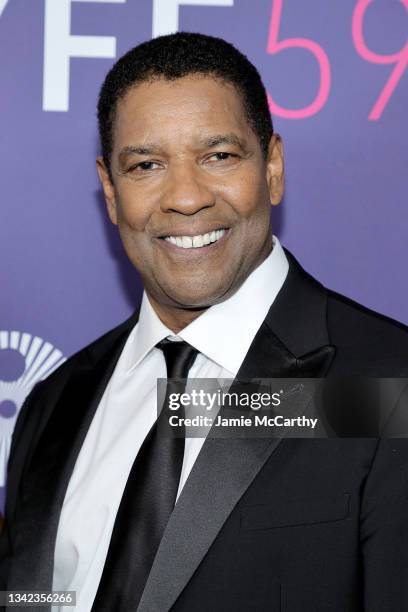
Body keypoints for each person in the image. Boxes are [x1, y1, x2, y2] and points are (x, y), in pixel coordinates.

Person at [1, 31, 408, 612]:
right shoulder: (54, 403)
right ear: (111, 192)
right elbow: (35, 595)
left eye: (218, 156)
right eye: (146, 165)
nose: (186, 197)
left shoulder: (388, 384)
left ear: (272, 167)